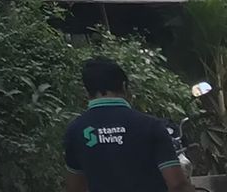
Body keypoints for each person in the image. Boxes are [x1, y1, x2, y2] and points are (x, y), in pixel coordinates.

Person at [64, 57, 189, 192]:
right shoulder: (151, 126)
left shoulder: (75, 130)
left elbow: (75, 187)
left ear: (86, 91)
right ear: (124, 86)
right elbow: (177, 184)